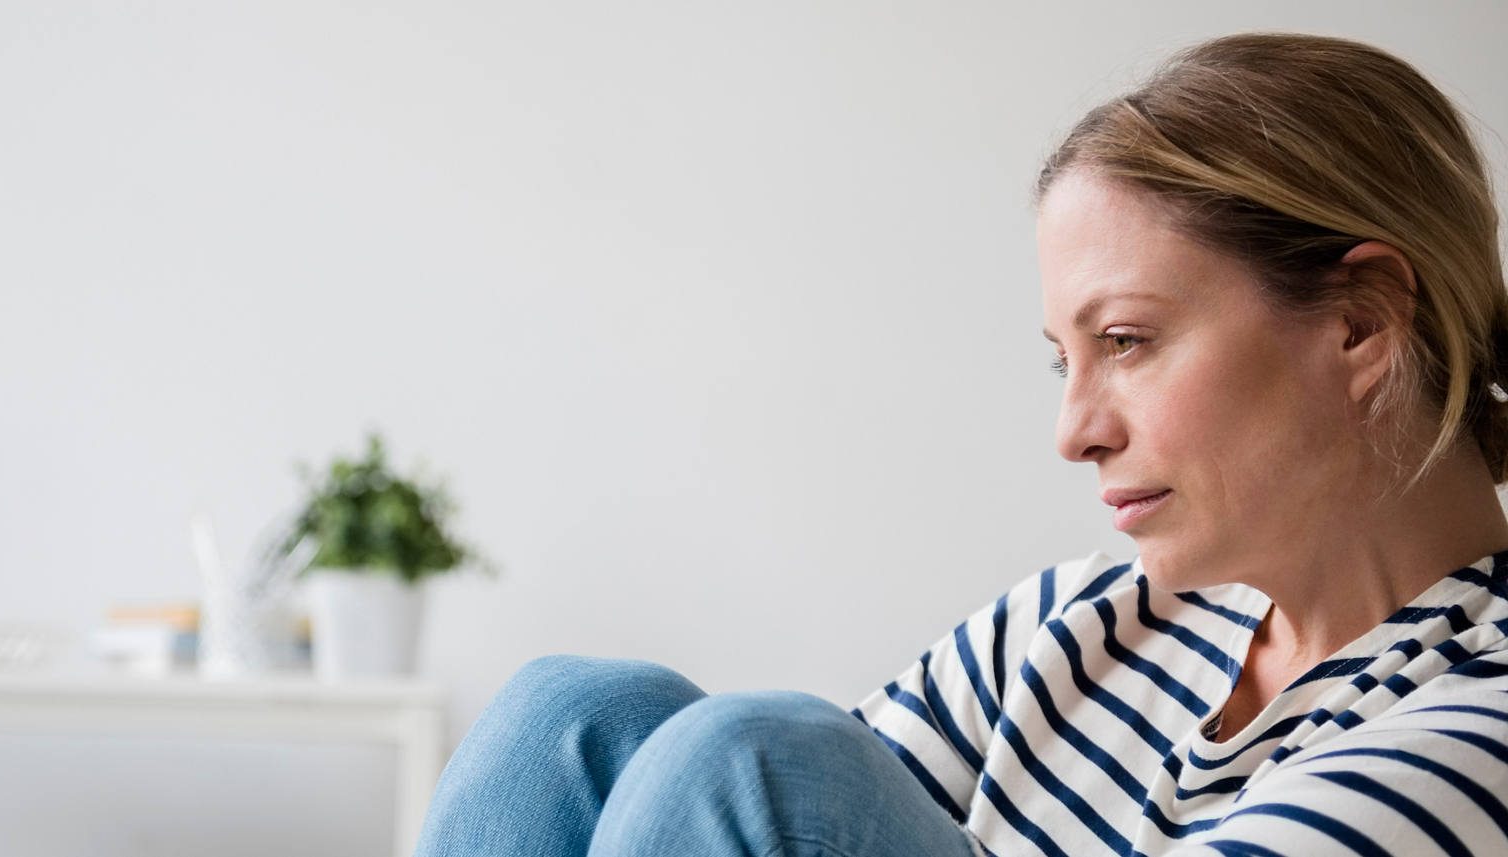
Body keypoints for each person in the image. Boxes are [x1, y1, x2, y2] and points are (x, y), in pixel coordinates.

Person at [411, 32, 1508, 857]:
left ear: (1359, 323)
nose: (1076, 430)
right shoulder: (1078, 622)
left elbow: (762, 805)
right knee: (577, 712)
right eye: (1062, 359)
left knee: (758, 761)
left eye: (1126, 340)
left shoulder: (1479, 719)